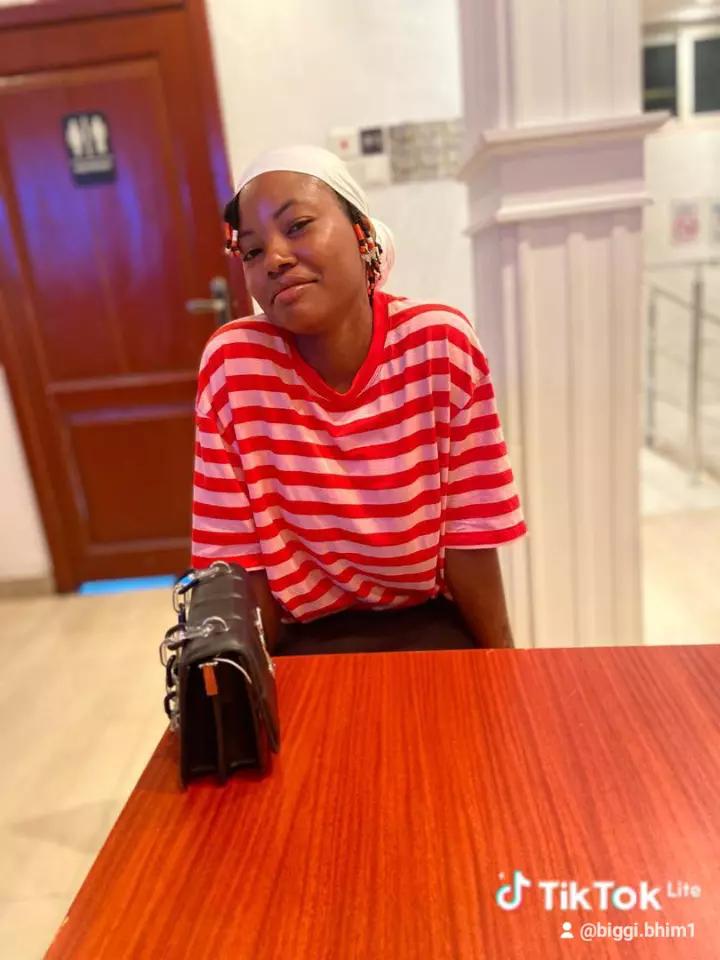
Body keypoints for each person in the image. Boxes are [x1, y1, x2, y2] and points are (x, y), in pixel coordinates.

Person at [191, 145, 527, 654]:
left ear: (361, 232)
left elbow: (471, 533)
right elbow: (237, 561)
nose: (275, 258)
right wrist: (260, 683)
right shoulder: (234, 366)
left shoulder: (440, 343)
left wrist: (504, 662)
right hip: (298, 637)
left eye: (297, 226)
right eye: (252, 251)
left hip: (429, 622)